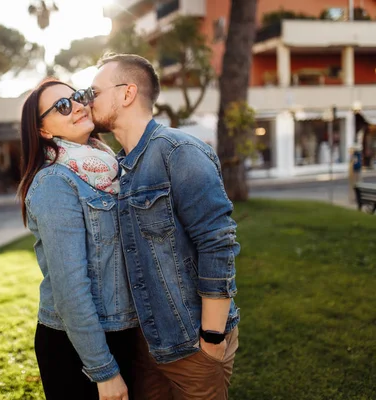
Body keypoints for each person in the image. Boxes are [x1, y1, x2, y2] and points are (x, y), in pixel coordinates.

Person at [89, 53, 241, 400]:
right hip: (147, 344)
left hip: (192, 342)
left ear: (127, 93)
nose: (88, 100)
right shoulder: (121, 167)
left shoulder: (178, 152)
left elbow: (218, 243)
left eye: (95, 91)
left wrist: (212, 340)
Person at [18, 78, 139, 400]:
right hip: (78, 346)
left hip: (120, 330)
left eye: (78, 97)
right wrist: (103, 370)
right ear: (43, 130)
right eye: (62, 106)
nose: (78, 106)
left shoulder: (109, 168)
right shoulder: (54, 182)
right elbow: (70, 288)